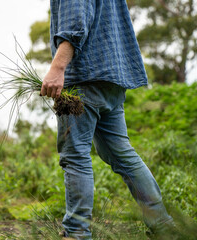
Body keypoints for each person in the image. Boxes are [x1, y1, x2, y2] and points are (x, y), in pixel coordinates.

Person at [40, 0, 174, 239]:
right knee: (122, 153)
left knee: (75, 156)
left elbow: (75, 21)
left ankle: (76, 233)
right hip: (111, 77)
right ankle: (163, 226)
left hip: (84, 78)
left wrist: (58, 67)